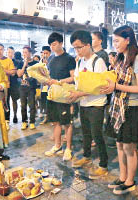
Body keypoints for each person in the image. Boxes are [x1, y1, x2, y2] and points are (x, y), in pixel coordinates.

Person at [100, 25, 138, 195]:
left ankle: (130, 181)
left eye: (117, 41)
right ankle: (122, 177)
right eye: (113, 41)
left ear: (128, 40)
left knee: (129, 148)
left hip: (132, 109)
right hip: (118, 107)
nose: (115, 44)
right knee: (119, 144)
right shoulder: (121, 57)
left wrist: (116, 86)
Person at [68, 30, 108, 179]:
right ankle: (86, 156)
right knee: (86, 134)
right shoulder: (80, 61)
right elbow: (78, 82)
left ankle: (104, 165)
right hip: (83, 103)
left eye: (79, 47)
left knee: (97, 135)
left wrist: (79, 94)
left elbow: (99, 87)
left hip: (96, 104)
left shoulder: (98, 62)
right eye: (74, 48)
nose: (77, 51)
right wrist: (71, 92)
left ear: (88, 44)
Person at [44, 32, 76, 161]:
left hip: (64, 95)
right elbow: (48, 75)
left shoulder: (69, 58)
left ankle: (68, 148)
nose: (52, 47)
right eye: (50, 45)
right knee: (55, 122)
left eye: (54, 44)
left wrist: (59, 81)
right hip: (52, 94)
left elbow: (74, 77)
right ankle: (57, 146)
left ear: (61, 43)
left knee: (67, 123)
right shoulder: (51, 58)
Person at [0, 44, 16, 130]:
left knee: (5, 104)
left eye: (1, 49)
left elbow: (13, 72)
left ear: (4, 50)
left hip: (6, 86)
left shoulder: (8, 60)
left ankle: (6, 121)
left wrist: (3, 70)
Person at [17, 46, 38, 130]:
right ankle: (24, 122)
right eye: (23, 52)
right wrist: (24, 65)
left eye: (26, 52)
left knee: (32, 105)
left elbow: (38, 75)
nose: (24, 54)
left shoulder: (35, 63)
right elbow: (19, 74)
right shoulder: (20, 63)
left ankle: (32, 122)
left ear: (30, 53)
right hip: (22, 87)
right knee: (23, 105)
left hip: (31, 87)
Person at [39, 46, 51, 125]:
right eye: (44, 53)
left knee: (50, 102)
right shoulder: (41, 62)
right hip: (43, 85)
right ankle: (46, 117)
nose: (45, 55)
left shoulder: (52, 61)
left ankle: (51, 118)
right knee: (44, 101)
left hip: (50, 85)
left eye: (46, 53)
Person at [10, 51, 23, 123]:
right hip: (20, 82)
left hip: (13, 83)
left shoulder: (12, 61)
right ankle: (23, 117)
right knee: (23, 101)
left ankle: (15, 115)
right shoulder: (22, 62)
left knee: (14, 101)